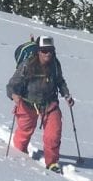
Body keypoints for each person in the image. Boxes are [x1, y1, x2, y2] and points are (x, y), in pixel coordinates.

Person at [7, 35, 73, 173]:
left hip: (50, 104)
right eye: (44, 50)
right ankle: (19, 153)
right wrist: (14, 95)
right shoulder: (26, 65)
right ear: (38, 51)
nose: (47, 53)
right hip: (27, 104)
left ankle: (52, 162)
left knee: (53, 135)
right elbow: (12, 85)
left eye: (50, 50)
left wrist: (66, 94)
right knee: (25, 132)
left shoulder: (55, 64)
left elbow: (60, 81)